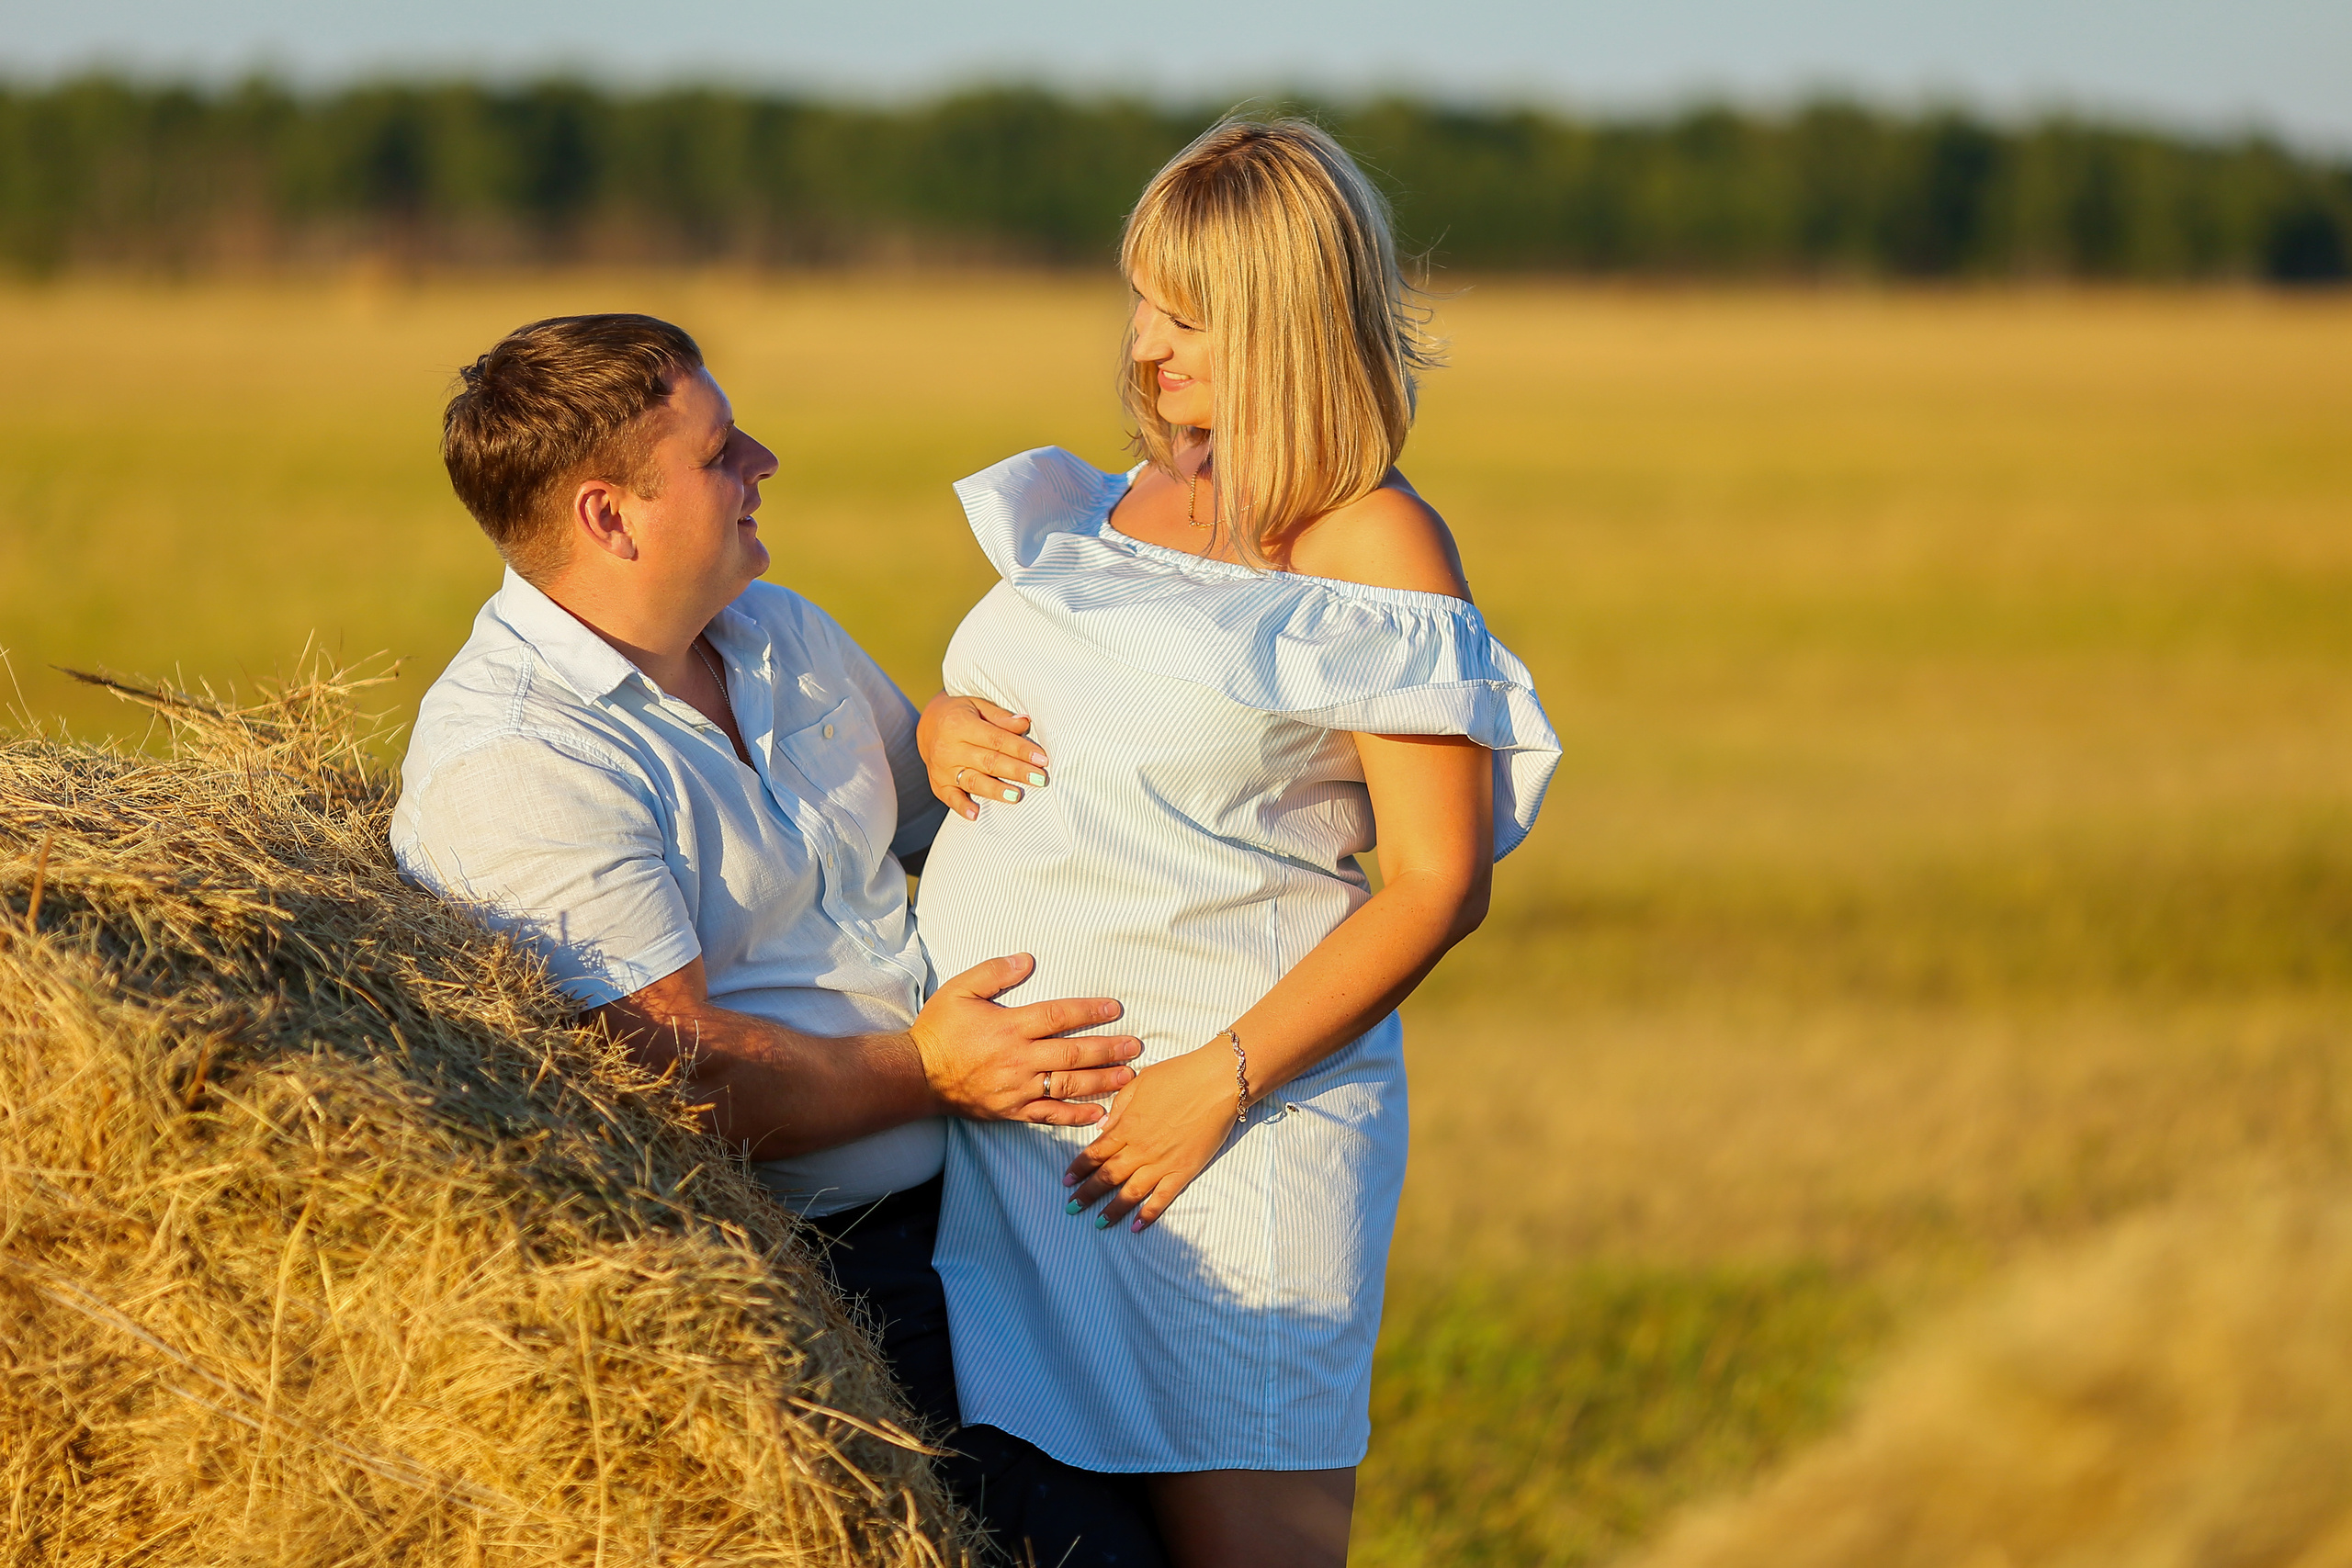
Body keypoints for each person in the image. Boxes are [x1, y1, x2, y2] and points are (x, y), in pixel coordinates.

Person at [390, 312, 1169, 1565]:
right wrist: (932, 1072)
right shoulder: (520, 757)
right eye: (719, 451)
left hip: (990, 1219)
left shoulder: (784, 635)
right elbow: (671, 1073)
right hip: (803, 1286)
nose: (764, 461)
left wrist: (941, 738)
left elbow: (935, 827)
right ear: (610, 516)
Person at [910, 118, 1563, 1567]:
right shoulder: (1104, 499)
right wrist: (939, 727)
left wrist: (1215, 1085)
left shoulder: (1370, 550)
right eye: (1146, 296)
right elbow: (1071, 717)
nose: (1151, 343)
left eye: (1193, 313)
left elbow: (1439, 882)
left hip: (1216, 1155)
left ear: (1286, 323)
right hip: (1023, 1152)